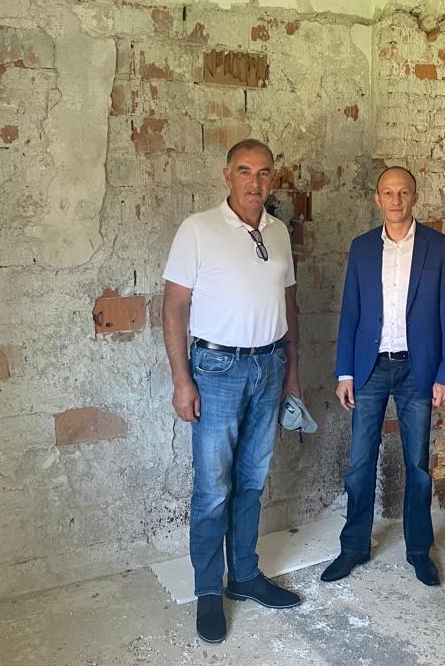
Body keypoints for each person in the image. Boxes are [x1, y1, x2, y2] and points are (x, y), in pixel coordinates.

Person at [161, 139, 303, 644]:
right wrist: (182, 379)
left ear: (273, 179)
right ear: (227, 176)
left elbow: (289, 305)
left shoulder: (278, 232)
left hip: (269, 365)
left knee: (251, 481)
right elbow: (174, 306)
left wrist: (291, 372)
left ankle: (243, 575)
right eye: (244, 171)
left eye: (264, 173)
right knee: (213, 487)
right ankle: (208, 590)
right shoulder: (198, 229)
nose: (254, 182)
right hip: (216, 368)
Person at [321, 166, 445, 587]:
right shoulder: (362, 247)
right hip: (370, 368)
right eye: (388, 192)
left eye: (403, 192)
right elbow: (350, 312)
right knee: (360, 463)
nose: (395, 199)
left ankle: (419, 550)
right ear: (377, 198)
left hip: (419, 370)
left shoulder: (441, 248)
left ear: (414, 197)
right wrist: (345, 371)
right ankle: (353, 547)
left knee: (418, 464)